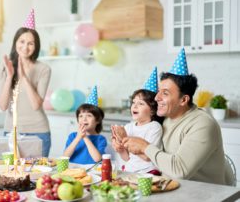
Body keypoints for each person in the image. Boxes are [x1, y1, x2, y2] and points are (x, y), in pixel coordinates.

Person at [122, 48, 234, 185]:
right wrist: (124, 144)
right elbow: (150, 158)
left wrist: (145, 146)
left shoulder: (203, 124)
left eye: (165, 93)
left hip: (203, 194)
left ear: (183, 100)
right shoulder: (164, 118)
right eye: (158, 92)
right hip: (167, 187)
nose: (156, 98)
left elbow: (180, 170)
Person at [0, 9, 52, 157]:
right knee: (11, 176)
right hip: (11, 131)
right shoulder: (5, 67)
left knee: (38, 176)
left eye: (31, 43)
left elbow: (36, 105)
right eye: (22, 41)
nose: (25, 47)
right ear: (15, 42)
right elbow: (2, 106)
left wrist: (24, 78)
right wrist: (10, 77)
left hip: (39, 132)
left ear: (36, 46)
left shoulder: (43, 69)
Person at [111, 67, 163, 174]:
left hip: (149, 171)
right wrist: (120, 149)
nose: (135, 106)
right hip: (131, 170)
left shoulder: (154, 127)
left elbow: (148, 157)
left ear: (152, 110)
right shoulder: (128, 127)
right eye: (134, 102)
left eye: (141, 104)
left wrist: (125, 138)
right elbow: (127, 158)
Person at [63, 86, 107, 164]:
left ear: (97, 120)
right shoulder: (73, 136)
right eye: (81, 116)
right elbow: (64, 157)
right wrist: (78, 138)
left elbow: (98, 159)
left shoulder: (100, 139)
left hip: (92, 172)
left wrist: (85, 137)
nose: (84, 119)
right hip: (72, 170)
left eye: (89, 116)